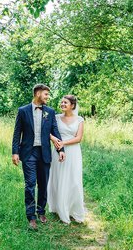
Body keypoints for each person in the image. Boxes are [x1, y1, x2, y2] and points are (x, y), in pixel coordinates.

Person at [12, 84, 66, 230]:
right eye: (46, 94)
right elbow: (17, 133)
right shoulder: (23, 111)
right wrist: (15, 152)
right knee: (30, 185)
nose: (48, 97)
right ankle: (31, 217)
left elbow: (55, 131)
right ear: (37, 93)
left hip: (44, 153)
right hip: (28, 153)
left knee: (43, 184)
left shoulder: (50, 111)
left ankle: (41, 211)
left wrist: (61, 149)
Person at [48, 94, 86, 224]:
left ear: (72, 105)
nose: (62, 104)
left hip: (74, 152)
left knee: (74, 180)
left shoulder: (79, 119)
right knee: (59, 179)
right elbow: (47, 131)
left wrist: (64, 143)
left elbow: (78, 138)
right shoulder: (56, 118)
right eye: (62, 102)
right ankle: (60, 209)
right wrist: (56, 142)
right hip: (58, 151)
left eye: (65, 103)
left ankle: (74, 210)